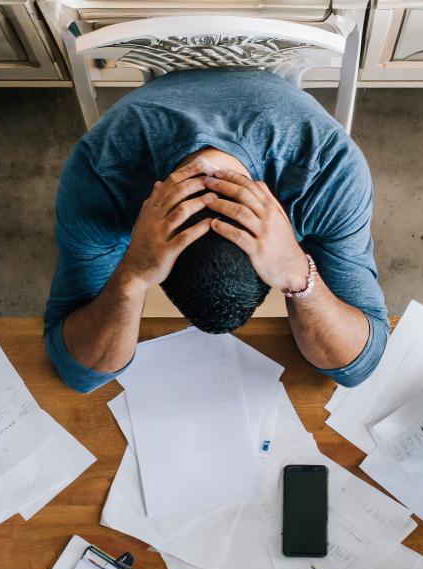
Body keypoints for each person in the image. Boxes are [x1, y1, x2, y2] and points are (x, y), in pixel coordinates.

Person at [45, 68, 389, 393]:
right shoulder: (99, 172)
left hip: (273, 99)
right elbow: (80, 373)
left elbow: (358, 366)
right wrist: (131, 275)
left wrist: (298, 272)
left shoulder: (330, 168)